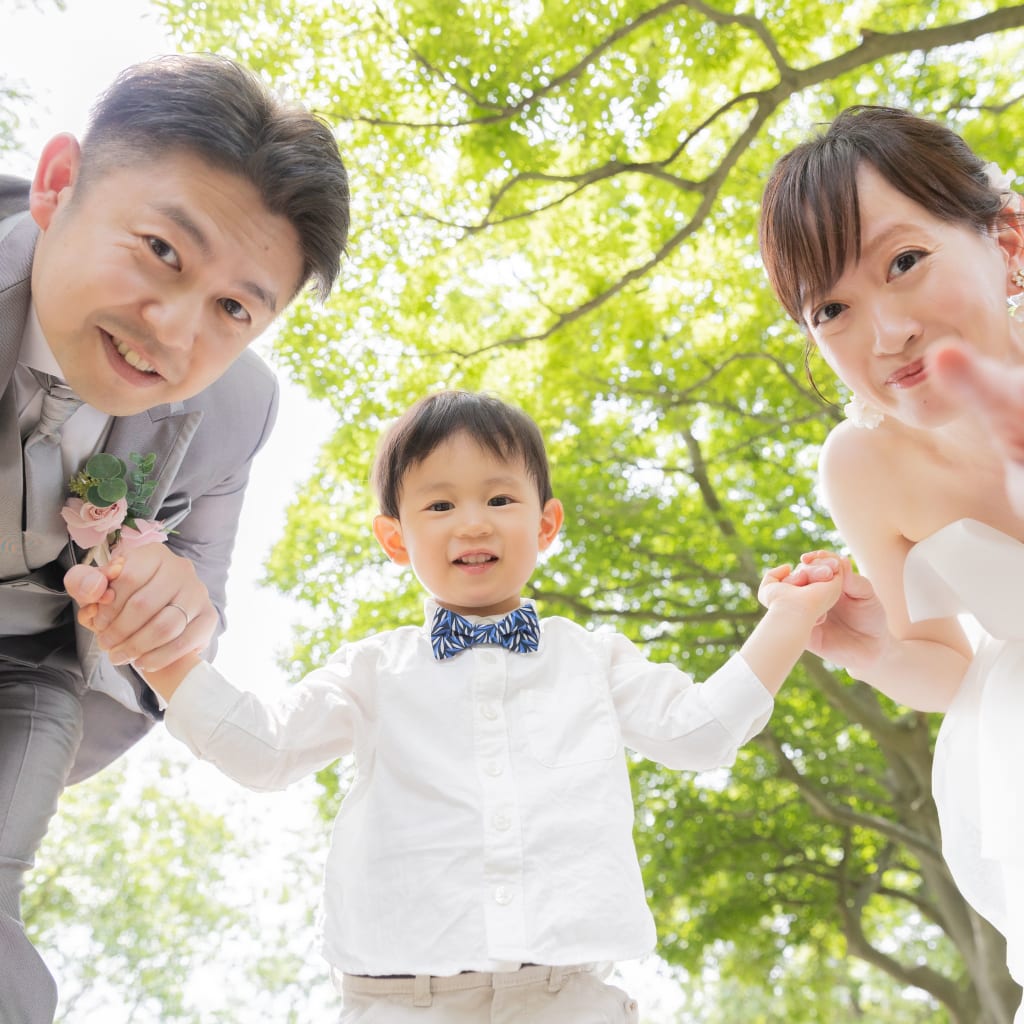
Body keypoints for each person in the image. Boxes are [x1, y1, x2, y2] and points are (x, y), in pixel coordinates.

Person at [70, 388, 841, 1022]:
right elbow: (268, 752)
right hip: (402, 1003)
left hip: (568, 999)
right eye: (438, 506)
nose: (472, 521)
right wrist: (158, 657)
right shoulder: (373, 670)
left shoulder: (593, 658)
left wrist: (792, 620)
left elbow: (700, 732)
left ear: (545, 526)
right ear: (395, 538)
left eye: (499, 498)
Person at [0, 53, 350, 1023]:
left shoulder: (236, 411)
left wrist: (165, 620)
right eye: (160, 250)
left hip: (23, 672)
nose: (171, 330)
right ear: (60, 183)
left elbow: (192, 616)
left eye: (235, 309)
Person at [758, 105, 1024, 1018]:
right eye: (830, 309)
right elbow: (949, 665)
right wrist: (859, 647)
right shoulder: (863, 464)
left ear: (1009, 241)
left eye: (903, 263)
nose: (884, 335)